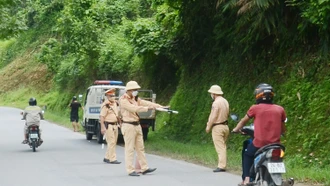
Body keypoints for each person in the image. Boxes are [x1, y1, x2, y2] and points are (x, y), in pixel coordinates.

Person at [232, 83, 286, 186]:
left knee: (247, 154)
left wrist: (236, 129)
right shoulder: (280, 109)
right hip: (276, 145)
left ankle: (247, 179)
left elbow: (243, 121)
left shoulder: (255, 108)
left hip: (260, 144)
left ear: (258, 95)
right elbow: (283, 128)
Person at [119, 81, 167, 176]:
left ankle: (144, 167)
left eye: (137, 90)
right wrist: (148, 109)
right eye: (134, 90)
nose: (136, 91)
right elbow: (134, 108)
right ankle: (130, 170)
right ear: (129, 90)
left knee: (140, 148)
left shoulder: (135, 98)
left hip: (137, 125)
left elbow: (145, 102)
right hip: (128, 125)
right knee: (130, 149)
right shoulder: (123, 100)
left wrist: (159, 106)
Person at [205, 85, 230, 173]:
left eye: (211, 93)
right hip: (225, 126)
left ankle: (221, 166)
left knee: (220, 147)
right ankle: (222, 163)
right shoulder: (225, 101)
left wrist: (208, 126)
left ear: (214, 93)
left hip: (217, 127)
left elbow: (213, 116)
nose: (211, 94)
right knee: (223, 146)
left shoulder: (216, 103)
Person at [100, 88, 121, 164]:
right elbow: (102, 116)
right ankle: (113, 159)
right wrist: (102, 127)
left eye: (114, 95)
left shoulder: (115, 103)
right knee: (111, 142)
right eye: (111, 95)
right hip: (108, 125)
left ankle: (107, 157)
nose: (113, 97)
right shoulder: (106, 105)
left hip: (115, 125)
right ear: (107, 96)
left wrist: (120, 123)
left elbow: (117, 114)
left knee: (113, 142)